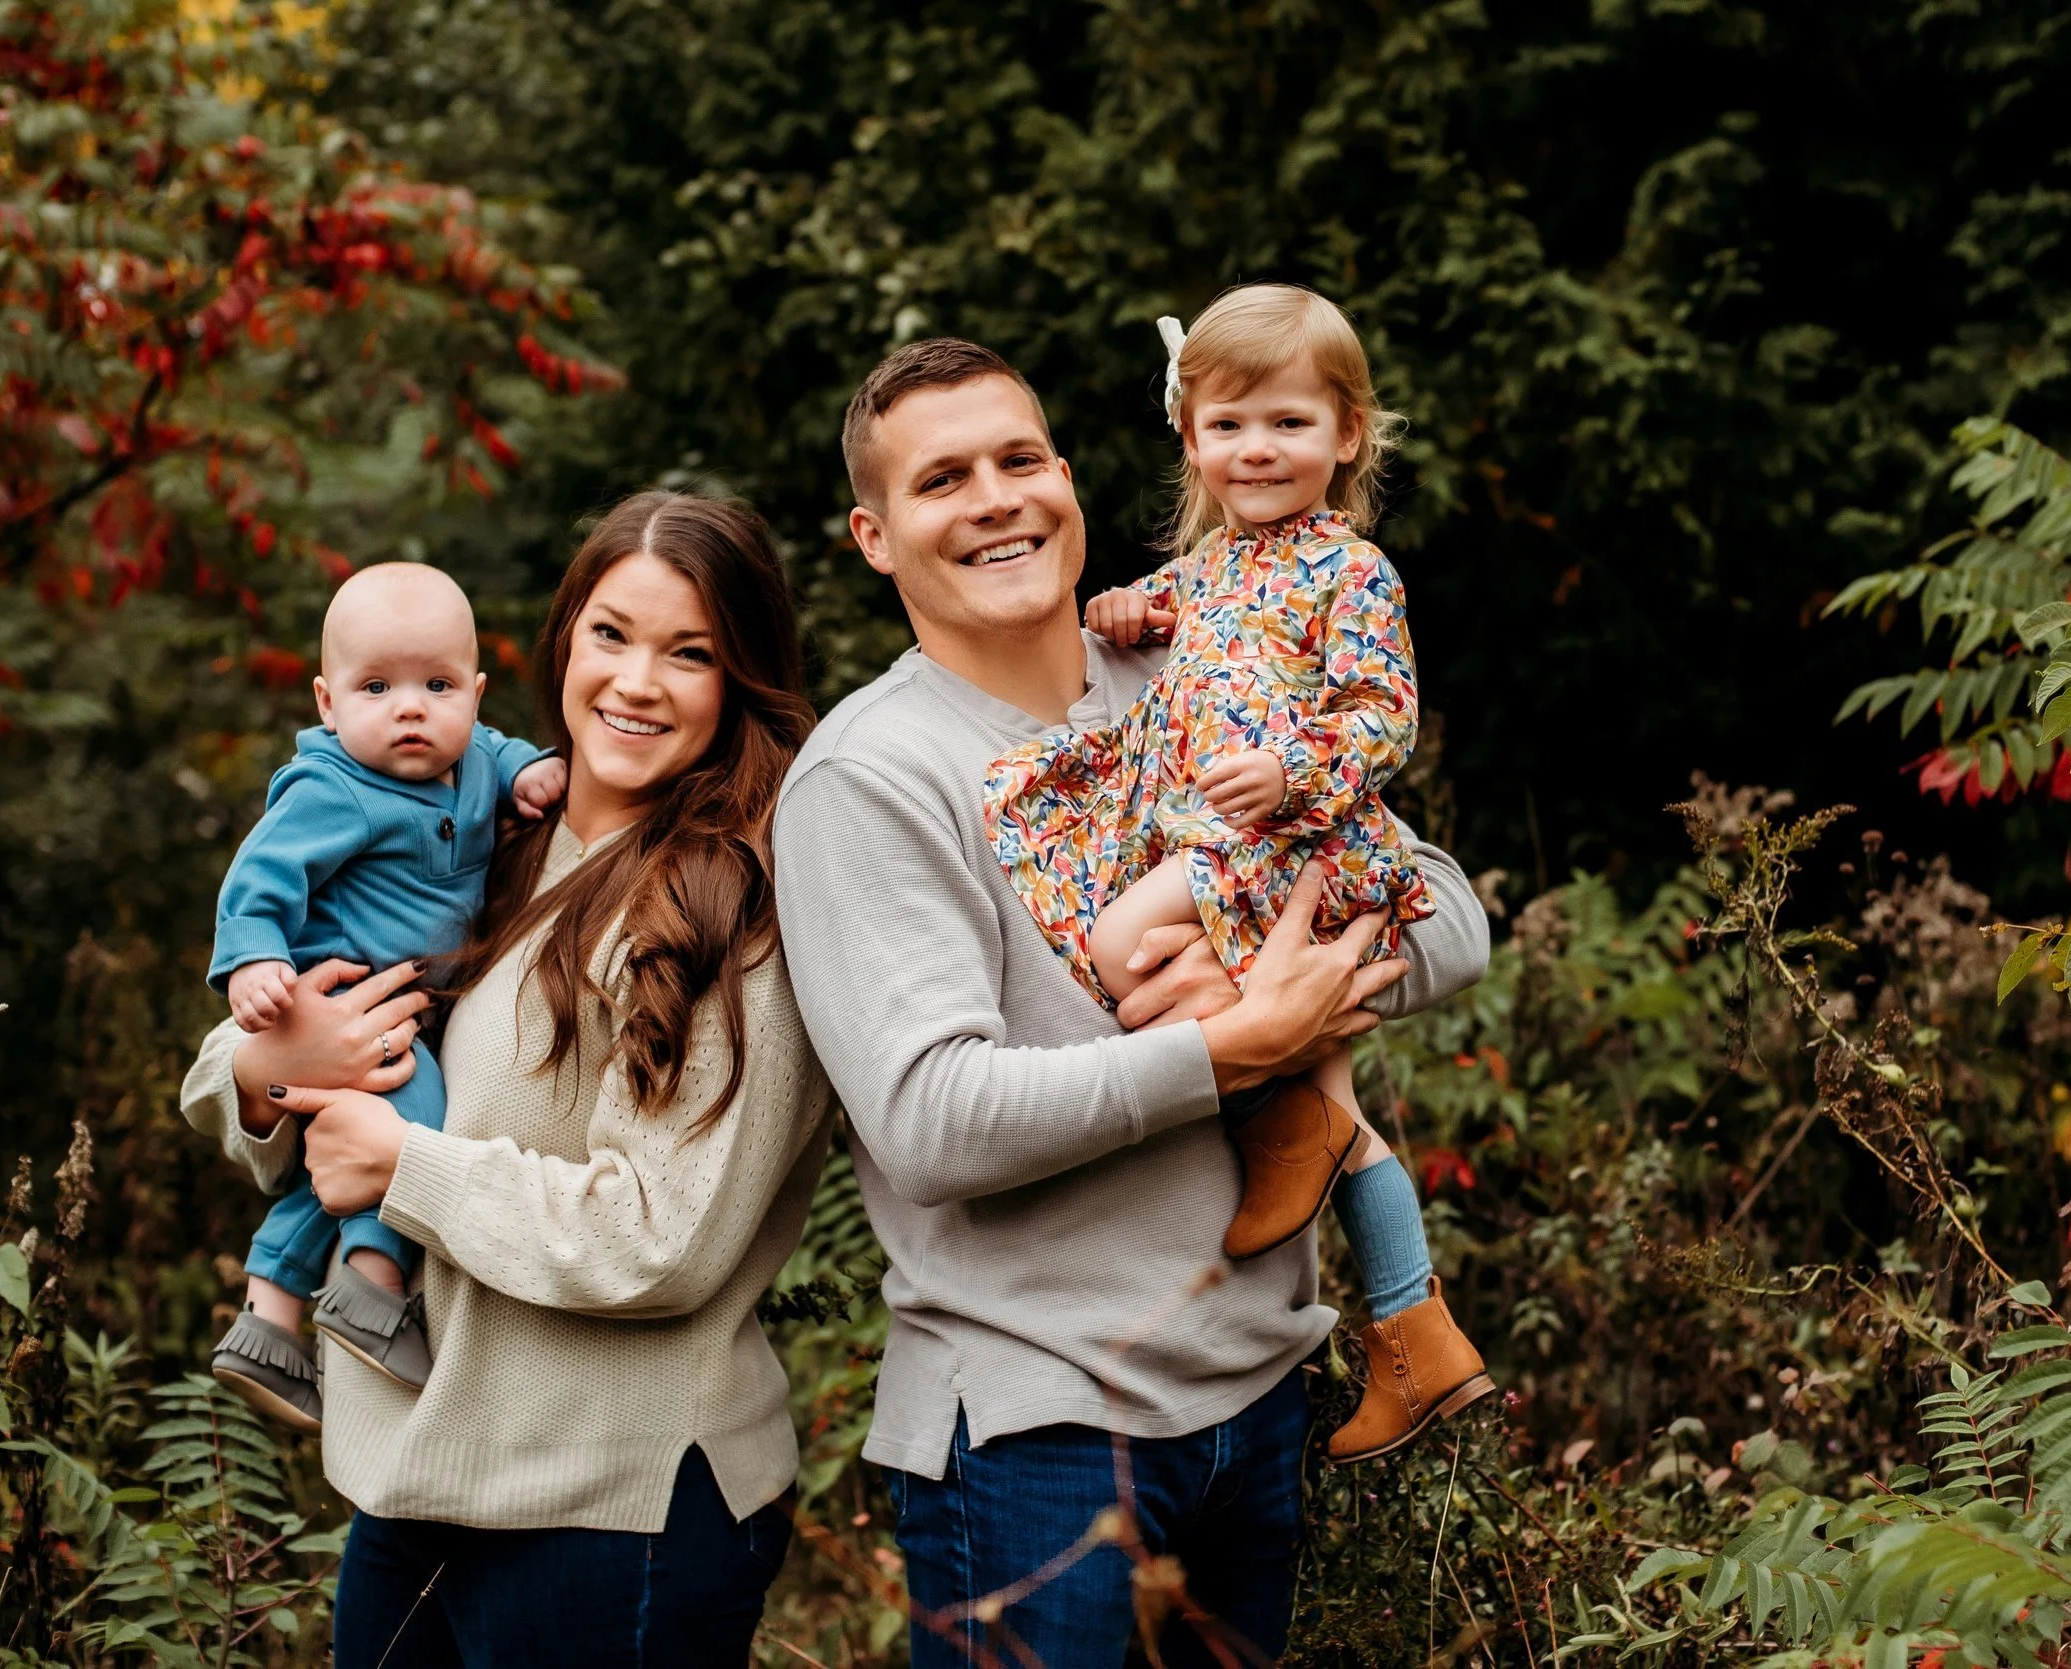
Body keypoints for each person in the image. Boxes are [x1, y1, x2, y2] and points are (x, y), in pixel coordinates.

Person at [772, 337, 1492, 1666]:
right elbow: (930, 1121)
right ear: (874, 537)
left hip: (1262, 1399)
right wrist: (1230, 1047)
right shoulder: (870, 776)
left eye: (1019, 460)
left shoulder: (1194, 666)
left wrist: (1280, 983)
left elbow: (1445, 915)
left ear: (1069, 479)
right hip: (1037, 1431)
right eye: (942, 479)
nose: (996, 498)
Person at [179, 492, 831, 1668]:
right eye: (611, 634)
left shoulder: (729, 908)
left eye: (690, 653)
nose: (637, 682)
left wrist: (403, 1164)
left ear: (740, 679)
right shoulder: (486, 835)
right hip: (417, 1486)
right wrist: (273, 1068)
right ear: (562, 641)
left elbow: (659, 1238)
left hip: (611, 1508)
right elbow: (236, 1070)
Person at [986, 283, 1491, 1462]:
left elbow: (1385, 715)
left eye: (1287, 423)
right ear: (1191, 438)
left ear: (1346, 434)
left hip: (1294, 846)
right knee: (1337, 1103)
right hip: (1234, 851)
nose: (1255, 449)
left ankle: (1281, 1119)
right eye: (1228, 426)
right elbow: (1158, 612)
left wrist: (1289, 769)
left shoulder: (1351, 572)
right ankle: (1414, 1330)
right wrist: (1124, 606)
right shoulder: (1208, 568)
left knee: (1121, 944)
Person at [207, 562, 569, 1429]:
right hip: (348, 1001)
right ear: (328, 702)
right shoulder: (331, 787)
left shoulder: (475, 761)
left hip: (412, 1006)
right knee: (415, 1121)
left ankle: (265, 1319)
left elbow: (503, 752)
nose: (410, 708)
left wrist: (531, 771)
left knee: (339, 1162)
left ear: (475, 694)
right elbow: (260, 876)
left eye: (437, 686)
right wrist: (253, 961)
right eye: (377, 687)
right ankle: (372, 1289)